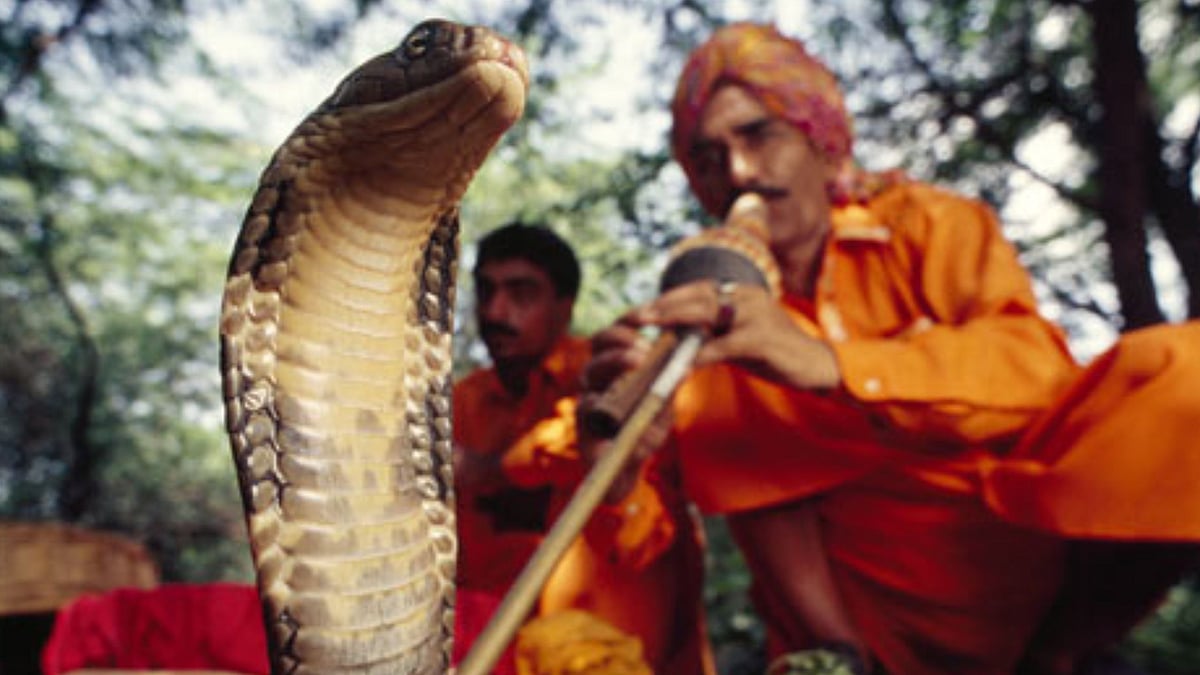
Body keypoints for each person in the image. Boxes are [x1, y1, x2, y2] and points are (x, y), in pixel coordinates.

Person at [580, 22, 1200, 675]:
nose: (737, 173)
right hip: (867, 640)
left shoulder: (930, 224)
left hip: (1025, 580)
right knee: (727, 357)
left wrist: (832, 365)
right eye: (706, 158)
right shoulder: (711, 308)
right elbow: (644, 542)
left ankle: (1060, 647)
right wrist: (615, 477)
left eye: (759, 134)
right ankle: (839, 655)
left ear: (822, 146)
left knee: (1185, 373)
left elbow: (1036, 372)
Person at [451, 223, 714, 674]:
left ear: (565, 307)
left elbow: (645, 542)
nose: (496, 311)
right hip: (481, 649)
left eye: (522, 293)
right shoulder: (458, 404)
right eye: (486, 290)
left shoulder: (614, 383)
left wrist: (490, 468)